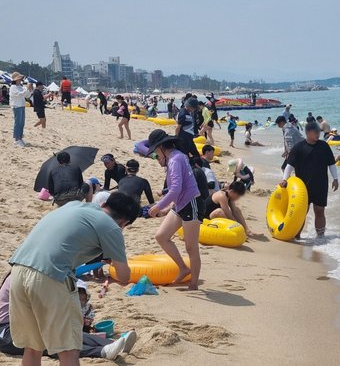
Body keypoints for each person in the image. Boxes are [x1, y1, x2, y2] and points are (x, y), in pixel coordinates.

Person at [8, 194, 139, 365]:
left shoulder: (73, 206)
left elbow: (69, 241)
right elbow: (123, 276)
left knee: (32, 348)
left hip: (18, 271)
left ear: (104, 203)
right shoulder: (112, 228)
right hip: (51, 277)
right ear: (124, 223)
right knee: (68, 350)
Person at [0, 274, 137, 360]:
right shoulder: (24, 278)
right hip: (6, 332)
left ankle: (112, 344)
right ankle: (101, 351)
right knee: (49, 343)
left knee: (65, 332)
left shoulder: (29, 274)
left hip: (22, 324)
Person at [147, 130, 203, 290]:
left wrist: (159, 206)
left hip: (191, 203)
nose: (156, 156)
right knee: (161, 236)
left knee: (191, 247)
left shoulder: (175, 159)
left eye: (156, 152)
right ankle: (184, 269)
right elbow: (176, 187)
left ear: (161, 147)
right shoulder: (175, 157)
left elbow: (176, 189)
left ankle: (194, 284)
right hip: (180, 204)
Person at [281, 122, 338, 237]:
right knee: (301, 213)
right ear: (307, 133)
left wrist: (335, 179)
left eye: (319, 132)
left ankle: (321, 237)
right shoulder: (299, 147)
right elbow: (289, 165)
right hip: (302, 187)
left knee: (320, 211)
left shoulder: (324, 146)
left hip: (320, 185)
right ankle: (297, 236)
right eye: (315, 132)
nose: (318, 134)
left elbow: (331, 164)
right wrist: (284, 179)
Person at [9, 72, 32, 147]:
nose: (21, 80)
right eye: (19, 78)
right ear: (16, 79)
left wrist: (29, 89)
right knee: (18, 123)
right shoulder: (13, 87)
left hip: (21, 106)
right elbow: (18, 95)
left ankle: (20, 137)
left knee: (22, 123)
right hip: (16, 106)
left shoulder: (20, 86)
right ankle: (16, 139)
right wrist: (26, 89)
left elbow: (27, 95)